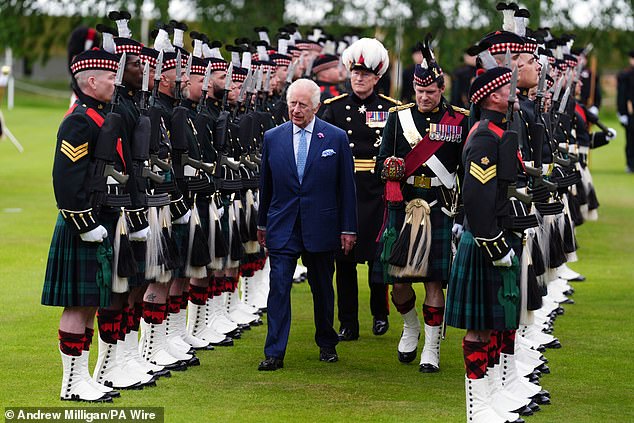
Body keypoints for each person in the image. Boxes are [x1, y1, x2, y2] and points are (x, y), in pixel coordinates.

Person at [377, 38, 469, 373]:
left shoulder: (460, 120)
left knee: (433, 281)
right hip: (404, 208)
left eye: (430, 92)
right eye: (419, 92)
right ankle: (411, 326)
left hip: (440, 207)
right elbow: (379, 162)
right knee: (399, 283)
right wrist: (389, 167)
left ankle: (431, 348)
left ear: (441, 88)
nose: (424, 98)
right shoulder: (397, 118)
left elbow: (466, 167)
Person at [256, 78, 357, 370]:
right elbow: (267, 184)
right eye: (292, 104)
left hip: (321, 226)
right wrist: (262, 223)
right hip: (283, 225)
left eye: (302, 105)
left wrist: (348, 228)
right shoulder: (273, 137)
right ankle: (274, 352)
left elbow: (346, 188)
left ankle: (327, 342)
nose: (296, 110)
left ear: (316, 106)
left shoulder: (335, 138)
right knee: (278, 287)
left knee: (323, 288)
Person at [445, 65, 525, 423]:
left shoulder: (497, 131)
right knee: (480, 328)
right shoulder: (483, 136)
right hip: (484, 241)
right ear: (493, 95)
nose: (514, 92)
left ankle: (493, 399)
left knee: (495, 323)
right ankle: (477, 411)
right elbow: (476, 197)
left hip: (494, 236)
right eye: (508, 89)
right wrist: (494, 244)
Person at [41, 48, 122, 402]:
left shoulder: (99, 116)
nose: (114, 83)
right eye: (109, 78)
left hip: (99, 219)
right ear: (91, 81)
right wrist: (85, 224)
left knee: (90, 303)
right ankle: (71, 384)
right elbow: (66, 179)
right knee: (77, 304)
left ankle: (82, 378)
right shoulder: (79, 120)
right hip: (82, 223)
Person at [321, 37, 397, 340]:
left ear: (377, 78)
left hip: (377, 193)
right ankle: (348, 322)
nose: (359, 78)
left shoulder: (391, 109)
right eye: (355, 73)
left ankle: (380, 314)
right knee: (345, 261)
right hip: (347, 192)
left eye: (365, 74)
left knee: (379, 258)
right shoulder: (334, 108)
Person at [616, 50, 634, 173]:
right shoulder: (625, 76)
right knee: (631, 139)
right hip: (630, 113)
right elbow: (621, 95)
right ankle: (630, 164)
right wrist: (622, 113)